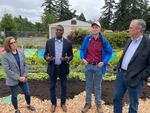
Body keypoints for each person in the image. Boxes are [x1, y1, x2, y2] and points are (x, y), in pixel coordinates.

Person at [113, 19, 150, 113]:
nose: (128, 30)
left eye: (130, 28)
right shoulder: (130, 40)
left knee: (133, 103)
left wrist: (141, 76)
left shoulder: (148, 43)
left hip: (135, 77)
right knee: (117, 98)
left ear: (139, 29)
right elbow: (125, 55)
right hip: (121, 74)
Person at [80, 21, 112, 113]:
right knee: (88, 86)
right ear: (91, 29)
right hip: (88, 66)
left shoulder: (103, 40)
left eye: (96, 27)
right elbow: (82, 49)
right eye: (93, 27)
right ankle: (87, 104)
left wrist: (104, 62)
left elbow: (109, 52)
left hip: (98, 66)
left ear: (99, 29)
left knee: (98, 86)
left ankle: (98, 104)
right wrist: (83, 58)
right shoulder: (87, 39)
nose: (94, 29)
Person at [2, 37, 35, 113]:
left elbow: (25, 65)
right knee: (14, 96)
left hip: (23, 78)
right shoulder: (5, 55)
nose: (14, 44)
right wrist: (18, 77)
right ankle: (16, 109)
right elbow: (7, 70)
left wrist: (24, 76)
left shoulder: (21, 53)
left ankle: (29, 105)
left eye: (15, 42)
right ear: (8, 45)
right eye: (11, 43)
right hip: (13, 79)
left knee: (27, 93)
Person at [44, 25, 73, 112]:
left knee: (64, 86)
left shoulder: (68, 43)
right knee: (52, 86)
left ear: (63, 32)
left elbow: (71, 55)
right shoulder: (49, 42)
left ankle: (63, 103)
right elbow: (45, 54)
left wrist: (67, 59)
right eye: (57, 30)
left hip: (63, 68)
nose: (59, 31)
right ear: (55, 31)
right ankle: (53, 104)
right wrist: (47, 58)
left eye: (61, 30)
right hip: (52, 67)